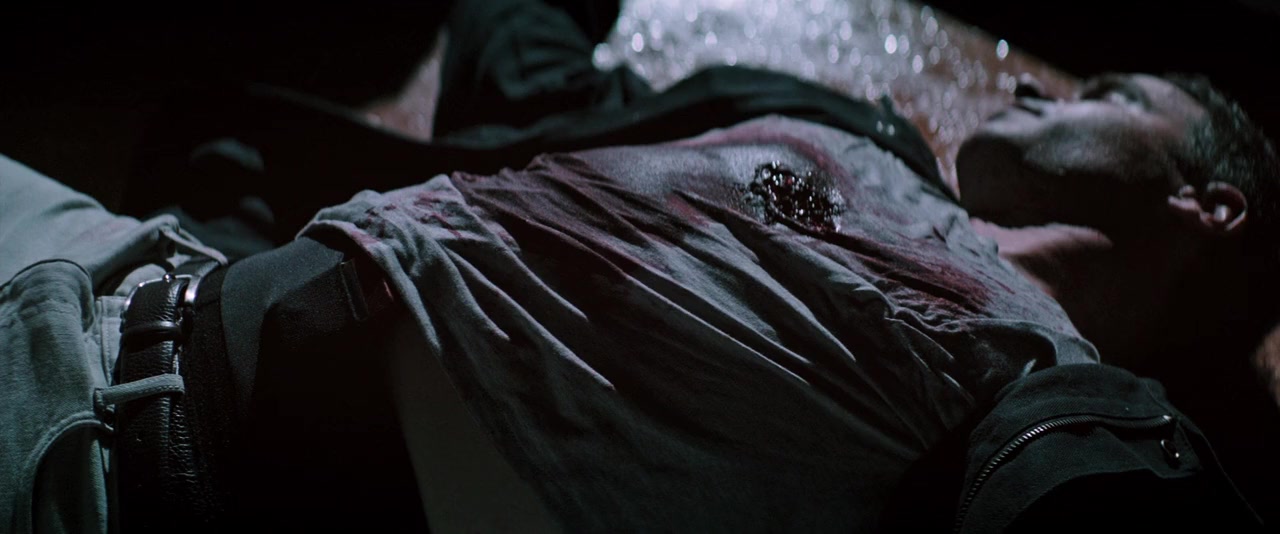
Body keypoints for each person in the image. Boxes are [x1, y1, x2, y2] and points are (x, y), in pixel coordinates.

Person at [1, 0, 1276, 532]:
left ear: (1206, 205)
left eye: (1111, 94)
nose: (1033, 88)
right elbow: (534, 81)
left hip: (101, 479)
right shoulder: (856, 139)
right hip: (117, 274)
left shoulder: (1045, 398)